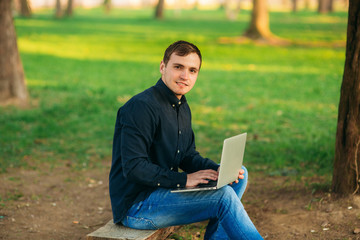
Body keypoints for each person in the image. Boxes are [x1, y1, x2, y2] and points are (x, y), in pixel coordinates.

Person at [109, 40, 263, 240]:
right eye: (178, 67)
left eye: (192, 70)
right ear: (163, 67)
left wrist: (218, 169)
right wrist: (184, 180)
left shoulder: (181, 105)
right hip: (137, 206)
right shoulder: (141, 107)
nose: (185, 76)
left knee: (238, 177)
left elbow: (187, 155)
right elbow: (134, 167)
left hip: (163, 192)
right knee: (223, 198)